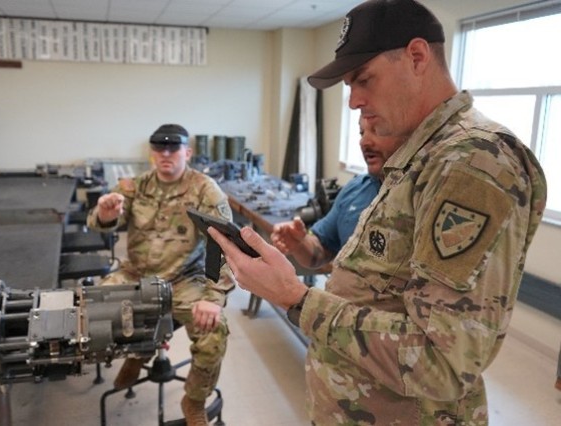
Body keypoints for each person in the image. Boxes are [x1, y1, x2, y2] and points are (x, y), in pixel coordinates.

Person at [208, 0, 547, 424]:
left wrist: (296, 297)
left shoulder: (472, 162)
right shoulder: (415, 160)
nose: (353, 103)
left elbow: (442, 364)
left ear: (417, 57)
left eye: (363, 79)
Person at [87, 123, 235, 426]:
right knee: (89, 313)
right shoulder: (134, 187)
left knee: (213, 331)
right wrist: (105, 214)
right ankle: (140, 352)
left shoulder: (205, 190)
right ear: (152, 153)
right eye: (159, 148)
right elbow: (100, 220)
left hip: (184, 278)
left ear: (187, 152)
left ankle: (193, 400)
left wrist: (213, 298)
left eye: (173, 148)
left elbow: (222, 246)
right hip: (136, 274)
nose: (165, 153)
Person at [270, 121, 397, 271]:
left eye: (377, 131)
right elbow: (321, 249)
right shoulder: (355, 188)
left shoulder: (419, 195)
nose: (364, 142)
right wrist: (300, 243)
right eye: (362, 133)